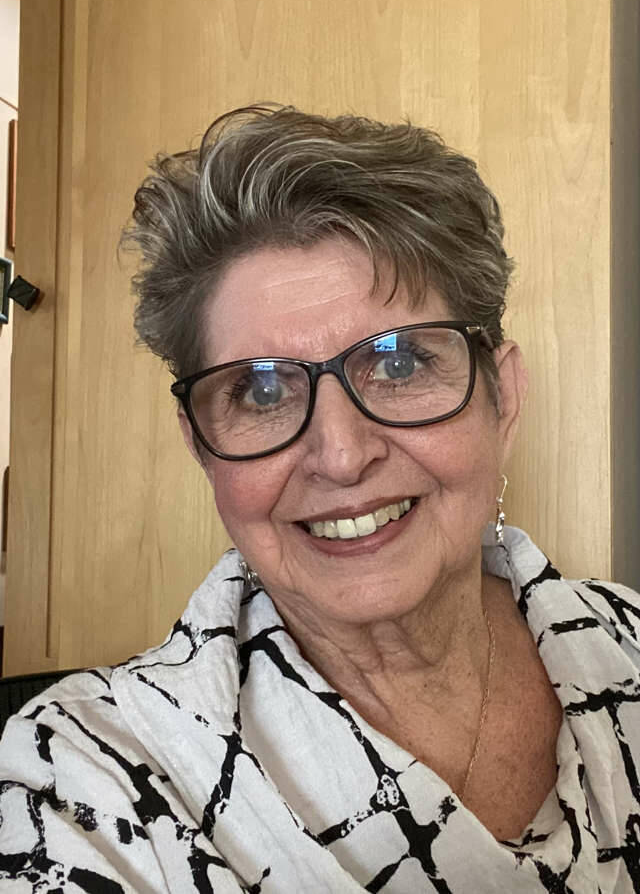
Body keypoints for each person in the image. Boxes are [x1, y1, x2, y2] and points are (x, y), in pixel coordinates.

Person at [1, 105, 639, 893]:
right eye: (261, 390)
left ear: (500, 399)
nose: (340, 454)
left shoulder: (628, 643)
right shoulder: (80, 785)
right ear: (201, 444)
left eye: (399, 364)